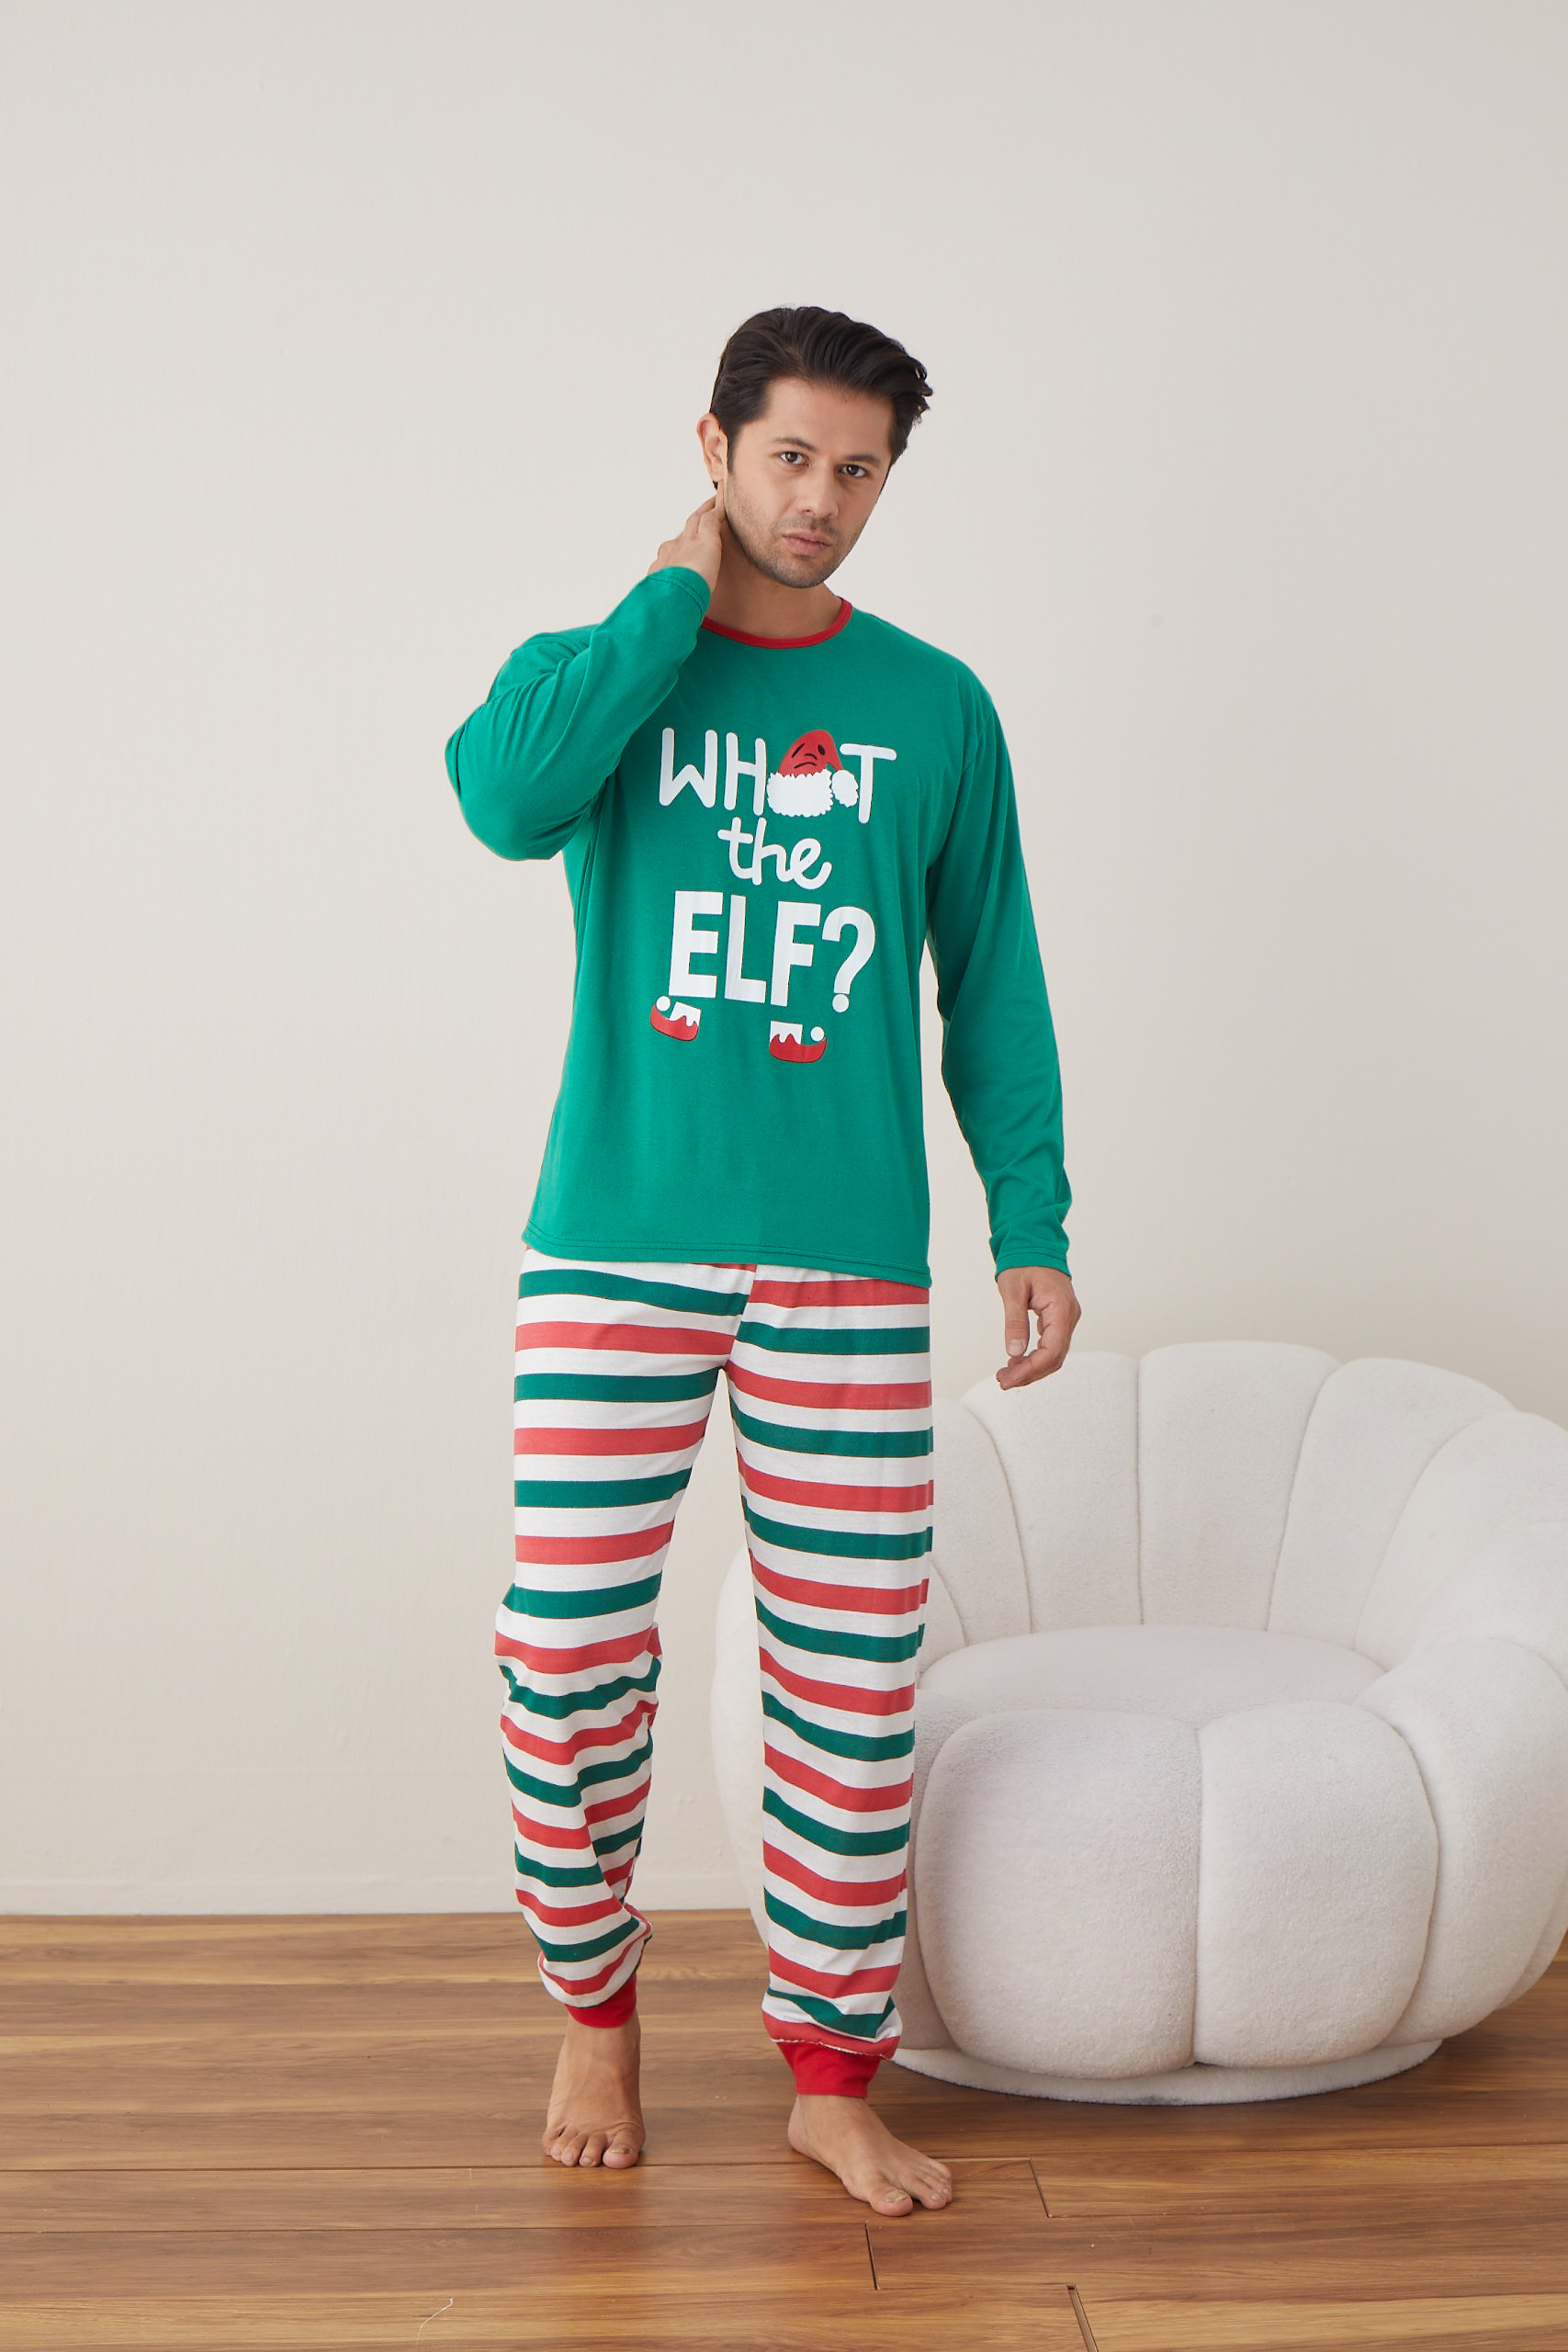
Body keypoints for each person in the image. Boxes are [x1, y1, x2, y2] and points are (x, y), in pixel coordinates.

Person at [443, 304, 1080, 2217]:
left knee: (850, 1674)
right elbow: (499, 800)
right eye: (789, 456)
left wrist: (1030, 1219)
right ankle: (595, 2011)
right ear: (714, 446)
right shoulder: (601, 676)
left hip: (845, 1263)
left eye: (857, 469)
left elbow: (994, 977)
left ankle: (828, 2069)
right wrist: (665, 598)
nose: (820, 499)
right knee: (563, 1650)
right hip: (616, 1245)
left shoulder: (934, 707)